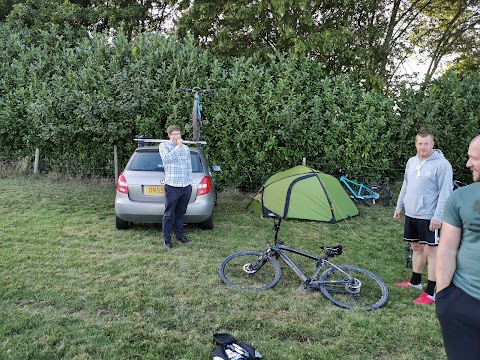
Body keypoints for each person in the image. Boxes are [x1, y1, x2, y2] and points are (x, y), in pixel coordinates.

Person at [393, 129, 453, 304]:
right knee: (416, 248)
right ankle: (415, 282)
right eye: (420, 143)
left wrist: (438, 216)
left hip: (430, 216)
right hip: (412, 213)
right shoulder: (411, 162)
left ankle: (430, 292)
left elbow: (445, 192)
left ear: (433, 144)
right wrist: (399, 205)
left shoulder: (442, 165)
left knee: (432, 252)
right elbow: (406, 184)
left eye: (426, 143)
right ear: (416, 144)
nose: (423, 147)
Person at [436, 135, 480, 359]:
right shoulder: (460, 198)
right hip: (463, 301)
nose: (468, 164)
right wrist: (442, 297)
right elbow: (446, 249)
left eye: (475, 159)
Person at [159, 125, 192, 248]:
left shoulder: (186, 148)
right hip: (172, 186)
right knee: (169, 214)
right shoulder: (164, 146)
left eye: (178, 133)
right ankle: (167, 240)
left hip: (185, 185)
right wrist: (178, 146)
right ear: (169, 135)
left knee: (180, 213)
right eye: (174, 134)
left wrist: (189, 182)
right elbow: (167, 159)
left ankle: (180, 236)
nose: (177, 136)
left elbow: (188, 165)